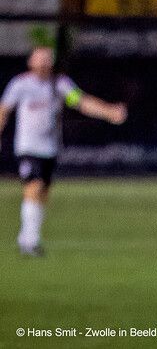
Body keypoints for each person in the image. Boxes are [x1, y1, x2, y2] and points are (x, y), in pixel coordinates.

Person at [0, 46, 127, 256]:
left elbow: (82, 103)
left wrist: (108, 112)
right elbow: (4, 109)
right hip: (28, 147)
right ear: (30, 62)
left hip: (49, 148)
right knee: (34, 185)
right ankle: (29, 241)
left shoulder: (60, 84)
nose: (43, 63)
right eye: (39, 59)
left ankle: (29, 236)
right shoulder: (20, 85)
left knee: (43, 193)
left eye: (47, 59)